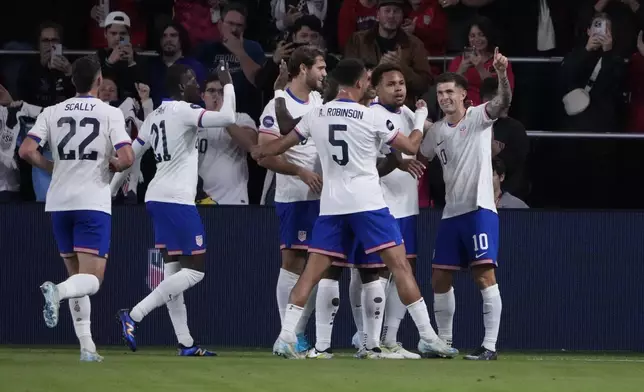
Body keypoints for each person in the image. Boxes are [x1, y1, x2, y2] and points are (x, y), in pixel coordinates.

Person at [252, 58, 457, 360]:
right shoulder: (370, 116)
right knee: (400, 267)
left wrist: (260, 151)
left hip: (332, 205)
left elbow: (275, 146)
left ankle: (285, 337)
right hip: (368, 204)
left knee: (310, 275)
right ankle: (427, 336)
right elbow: (412, 147)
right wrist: (419, 119)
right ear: (360, 83)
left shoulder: (315, 114)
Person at [111, 61, 236, 356]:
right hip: (177, 200)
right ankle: (134, 315)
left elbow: (131, 154)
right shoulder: (186, 111)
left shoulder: (154, 116)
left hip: (156, 197)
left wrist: (110, 191)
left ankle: (186, 343)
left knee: (173, 276)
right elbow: (228, 116)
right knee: (196, 273)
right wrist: (229, 83)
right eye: (192, 80)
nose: (198, 84)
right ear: (181, 87)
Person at [18, 56, 135, 362]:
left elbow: (27, 150)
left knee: (76, 279)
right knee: (91, 280)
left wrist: (51, 167)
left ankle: (87, 347)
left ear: (72, 81)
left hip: (59, 203)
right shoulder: (109, 113)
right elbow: (127, 157)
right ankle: (55, 291)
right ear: (99, 81)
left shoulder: (51, 112)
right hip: (91, 202)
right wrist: (114, 164)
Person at [418, 48, 512, 360]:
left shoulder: (478, 117)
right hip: (451, 214)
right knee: (439, 278)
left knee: (484, 276)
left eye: (450, 92)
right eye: (440, 92)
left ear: (463, 96)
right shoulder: (435, 133)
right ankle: (444, 342)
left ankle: (489, 346)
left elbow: (503, 103)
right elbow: (418, 158)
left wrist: (500, 74)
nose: (444, 97)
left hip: (479, 209)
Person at [257, 46, 326, 354]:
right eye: (320, 68)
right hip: (295, 197)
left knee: (317, 268)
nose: (324, 74)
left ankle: (297, 333)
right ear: (303, 69)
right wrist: (299, 170)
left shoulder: (320, 101)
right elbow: (264, 155)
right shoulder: (276, 105)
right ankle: (287, 336)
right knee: (293, 264)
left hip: (323, 198)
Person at [197, 73, 258, 204]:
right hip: (199, 200)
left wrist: (224, 118)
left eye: (221, 91)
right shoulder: (194, 122)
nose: (217, 95)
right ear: (203, 96)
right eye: (211, 91)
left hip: (232, 200)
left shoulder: (241, 118)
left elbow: (252, 145)